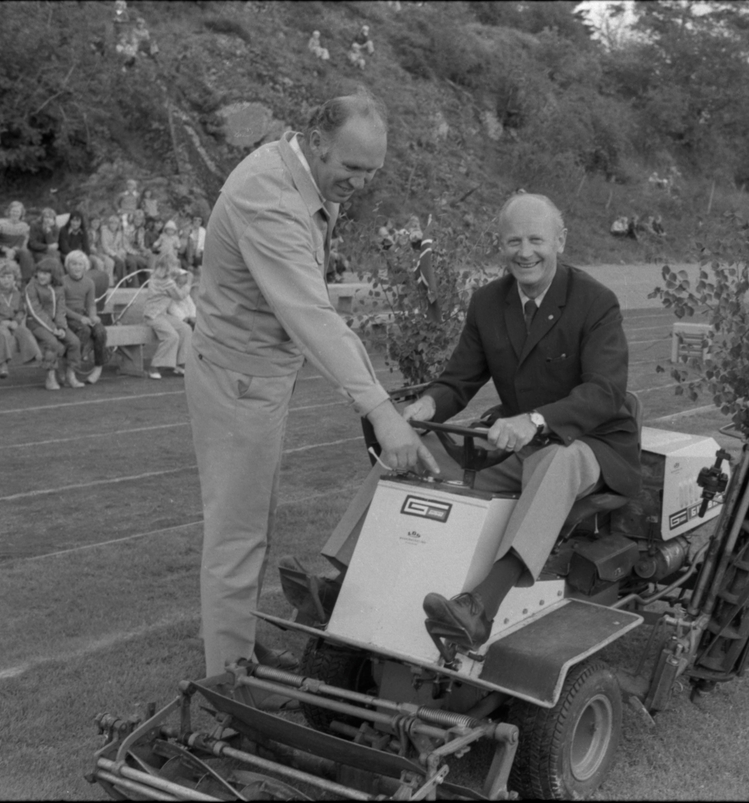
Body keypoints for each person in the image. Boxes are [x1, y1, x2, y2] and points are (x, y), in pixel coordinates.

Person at [186, 90, 438, 699]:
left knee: (251, 526)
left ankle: (237, 649)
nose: (360, 183)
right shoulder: (268, 198)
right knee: (236, 538)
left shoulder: (301, 175)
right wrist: (382, 412)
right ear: (316, 139)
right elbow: (313, 317)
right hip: (238, 380)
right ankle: (228, 688)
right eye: (351, 168)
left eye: (372, 172)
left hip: (258, 375)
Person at [316, 193, 641, 654]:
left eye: (536, 240)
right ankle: (341, 576)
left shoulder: (596, 302)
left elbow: (606, 393)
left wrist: (534, 419)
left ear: (561, 242)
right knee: (410, 444)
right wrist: (423, 409)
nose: (525, 252)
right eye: (513, 241)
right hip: (519, 444)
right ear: (500, 246)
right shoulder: (488, 302)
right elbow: (458, 380)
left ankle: (481, 606)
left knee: (557, 460)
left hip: (595, 444)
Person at [25, 258, 83, 391]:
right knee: (52, 343)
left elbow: (61, 309)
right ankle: (50, 376)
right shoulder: (31, 286)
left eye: (45, 274)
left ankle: (70, 374)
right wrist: (53, 329)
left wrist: (61, 326)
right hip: (35, 323)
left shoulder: (59, 287)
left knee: (74, 342)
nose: (41, 276)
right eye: (39, 272)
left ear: (54, 275)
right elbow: (35, 311)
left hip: (56, 325)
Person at [0, 259, 42, 379]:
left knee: (24, 331)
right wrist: (0, 321)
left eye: (9, 277)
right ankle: (3, 364)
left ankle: (34, 356)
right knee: (3, 334)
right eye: (3, 277)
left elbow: (21, 310)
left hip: (12, 323)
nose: (6, 280)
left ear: (15, 278)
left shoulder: (17, 293)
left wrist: (16, 321)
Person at [144, 251, 193, 379]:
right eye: (173, 265)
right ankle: (155, 366)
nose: (176, 268)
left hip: (161, 314)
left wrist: (178, 275)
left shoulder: (159, 277)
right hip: (153, 316)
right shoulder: (166, 282)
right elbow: (180, 295)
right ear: (167, 267)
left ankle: (181, 363)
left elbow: (172, 278)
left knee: (185, 329)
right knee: (172, 337)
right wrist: (188, 283)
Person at [62, 250, 108, 384]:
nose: (77, 267)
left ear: (85, 266)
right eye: (73, 264)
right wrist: (79, 318)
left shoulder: (89, 282)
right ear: (67, 265)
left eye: (80, 264)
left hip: (83, 315)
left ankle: (98, 367)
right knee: (84, 330)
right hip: (67, 316)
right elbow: (61, 306)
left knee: (100, 331)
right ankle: (71, 369)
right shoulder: (62, 282)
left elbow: (91, 304)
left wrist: (93, 315)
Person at [0, 201, 36, 282]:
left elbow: (21, 243)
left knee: (25, 253)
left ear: (21, 213)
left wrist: (12, 250)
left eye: (17, 211)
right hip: (0, 251)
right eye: (13, 211)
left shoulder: (24, 226)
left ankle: (26, 281)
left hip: (15, 251)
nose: (15, 213)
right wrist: (5, 249)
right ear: (9, 211)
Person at [28, 207, 63, 279]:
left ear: (53, 219)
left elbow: (53, 245)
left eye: (50, 218)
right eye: (46, 217)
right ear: (42, 218)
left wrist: (48, 232)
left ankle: (59, 278)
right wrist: (47, 247)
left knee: (55, 255)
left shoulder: (56, 228)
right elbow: (33, 243)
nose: (48, 220)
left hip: (49, 251)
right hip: (36, 250)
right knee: (48, 258)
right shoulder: (34, 225)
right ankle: (52, 277)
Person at [123, 209, 153, 286]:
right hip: (128, 253)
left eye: (140, 219)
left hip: (138, 253)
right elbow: (126, 246)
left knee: (151, 258)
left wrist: (145, 251)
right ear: (133, 219)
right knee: (138, 262)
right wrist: (137, 253)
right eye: (137, 218)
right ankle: (135, 285)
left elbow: (141, 244)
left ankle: (151, 283)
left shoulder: (141, 230)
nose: (138, 221)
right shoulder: (127, 228)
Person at [100, 214, 130, 285]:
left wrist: (121, 252)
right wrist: (114, 254)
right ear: (109, 224)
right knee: (120, 262)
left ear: (118, 224)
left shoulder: (119, 233)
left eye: (115, 223)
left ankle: (124, 281)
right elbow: (105, 246)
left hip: (116, 252)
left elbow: (120, 246)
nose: (113, 225)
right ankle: (122, 283)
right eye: (111, 223)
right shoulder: (104, 231)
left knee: (124, 259)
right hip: (107, 252)